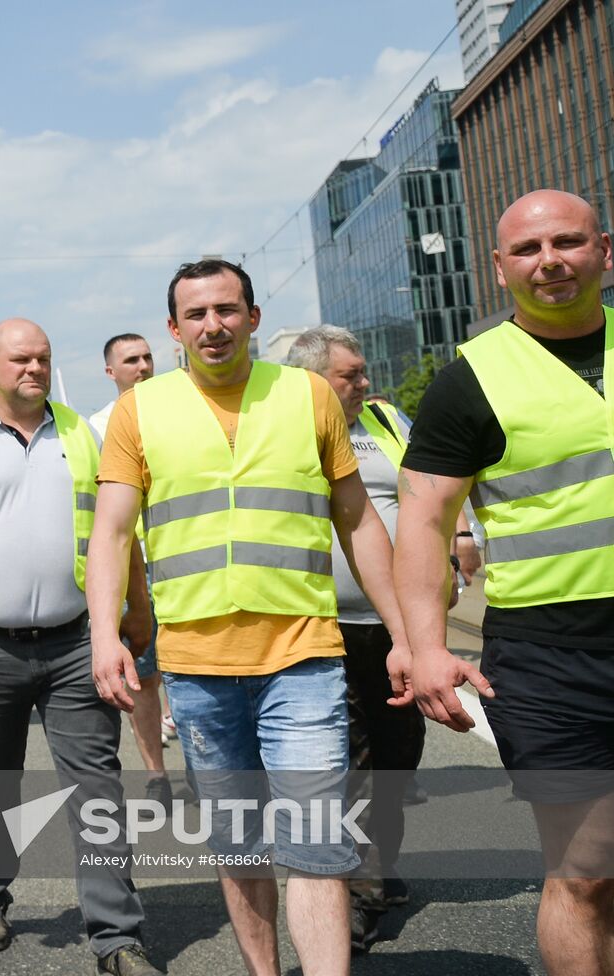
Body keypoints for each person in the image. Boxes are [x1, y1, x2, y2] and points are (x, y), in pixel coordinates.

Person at [87, 259, 410, 976]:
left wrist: (403, 636)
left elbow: (356, 521)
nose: (214, 325)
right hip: (199, 670)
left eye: (228, 310)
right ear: (174, 330)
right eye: (196, 315)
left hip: (303, 657)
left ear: (254, 317)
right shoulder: (139, 411)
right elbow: (110, 532)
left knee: (316, 844)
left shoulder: (308, 397)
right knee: (240, 848)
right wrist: (105, 634)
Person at [394, 188, 614, 976]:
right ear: (498, 269)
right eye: (527, 250)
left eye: (567, 242)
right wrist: (424, 648)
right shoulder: (469, 382)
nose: (549, 261)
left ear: (604, 250)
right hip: (551, 661)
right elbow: (422, 523)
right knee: (587, 873)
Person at [0, 318, 157, 976]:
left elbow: (118, 528)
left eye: (42, 358)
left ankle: (117, 937)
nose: (34, 369)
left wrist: (138, 609)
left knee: (96, 787)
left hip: (78, 641)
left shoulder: (82, 433)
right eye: (20, 359)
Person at [287, 325, 467, 950]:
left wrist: (457, 544)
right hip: (323, 624)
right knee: (349, 760)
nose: (365, 382)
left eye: (363, 372)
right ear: (314, 379)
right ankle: (358, 889)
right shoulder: (288, 425)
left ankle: (379, 865)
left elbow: (429, 494)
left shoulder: (388, 419)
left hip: (399, 627)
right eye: (351, 375)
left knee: (398, 751)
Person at [89, 332, 173, 806]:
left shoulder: (177, 411)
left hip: (181, 565)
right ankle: (157, 774)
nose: (142, 366)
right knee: (145, 677)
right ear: (111, 372)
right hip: (131, 571)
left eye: (147, 357)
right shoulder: (97, 428)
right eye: (130, 360)